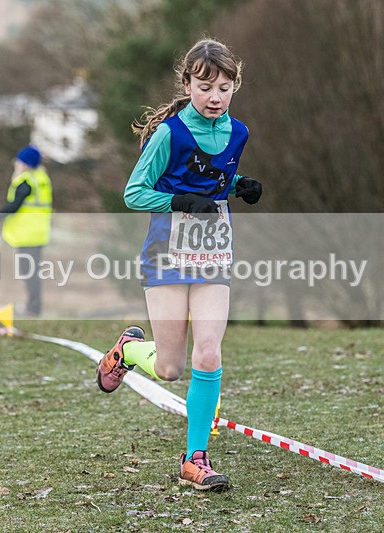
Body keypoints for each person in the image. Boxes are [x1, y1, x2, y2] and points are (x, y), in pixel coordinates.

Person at [95, 38, 263, 492]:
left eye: (225, 87)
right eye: (206, 86)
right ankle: (127, 351)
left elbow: (216, 179)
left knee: (208, 352)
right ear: (187, 83)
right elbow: (134, 192)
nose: (215, 97)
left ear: (235, 87)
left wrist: (240, 186)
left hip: (213, 256)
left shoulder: (239, 132)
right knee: (169, 368)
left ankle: (195, 459)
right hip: (166, 256)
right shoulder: (169, 133)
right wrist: (179, 200)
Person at [0, 145, 53, 317]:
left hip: (27, 233)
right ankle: (33, 307)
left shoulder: (26, 182)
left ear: (25, 164)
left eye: (19, 162)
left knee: (29, 273)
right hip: (38, 232)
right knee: (31, 272)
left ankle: (32, 309)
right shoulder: (41, 178)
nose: (17, 164)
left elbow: (14, 206)